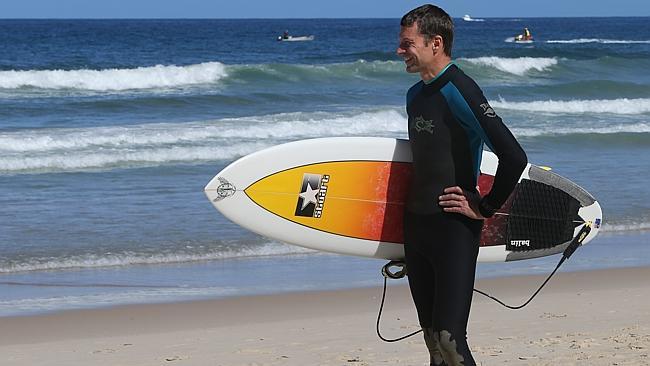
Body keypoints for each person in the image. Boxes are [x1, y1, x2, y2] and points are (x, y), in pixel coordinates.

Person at [396, 4, 527, 365]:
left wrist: (484, 206)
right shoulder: (414, 96)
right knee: (432, 342)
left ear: (435, 43)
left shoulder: (461, 89)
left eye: (407, 44)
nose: (399, 51)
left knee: (451, 340)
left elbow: (514, 156)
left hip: (453, 230)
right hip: (416, 228)